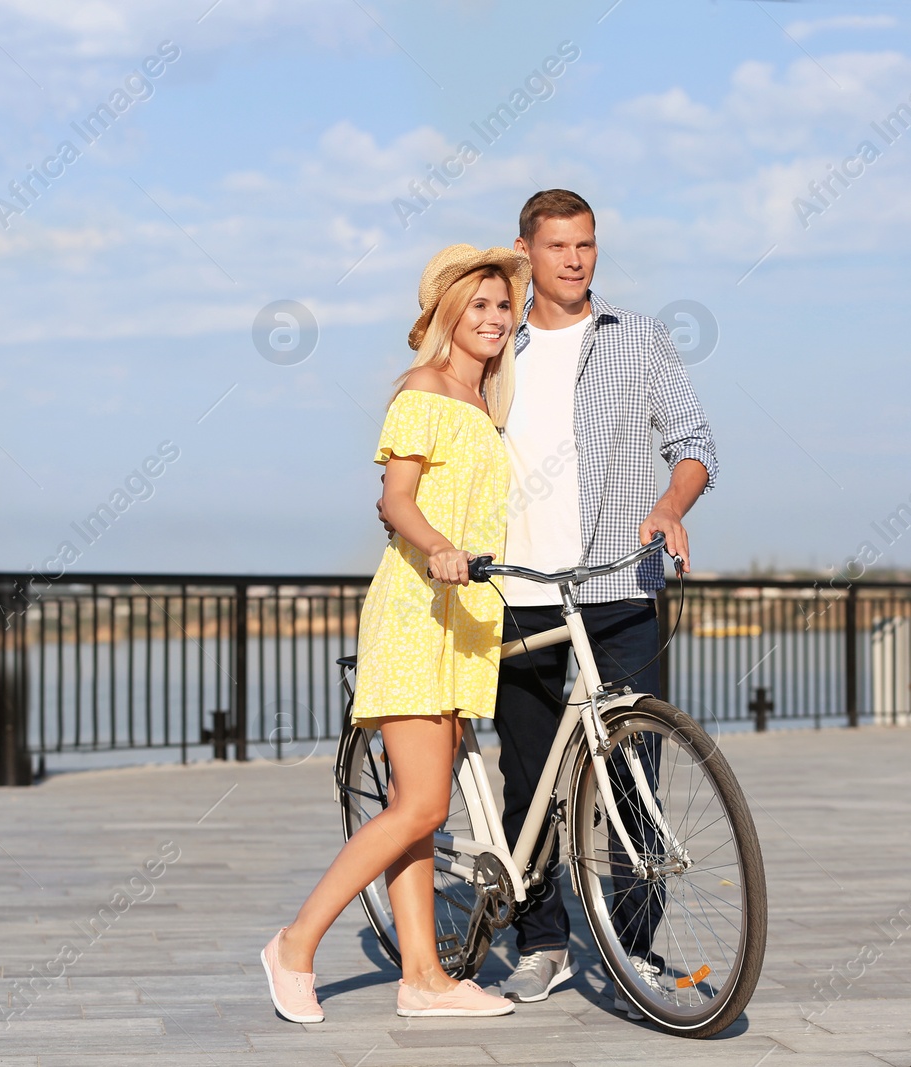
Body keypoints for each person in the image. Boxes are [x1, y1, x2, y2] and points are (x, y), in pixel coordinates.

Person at [383, 190, 718, 1014]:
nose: (575, 260)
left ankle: (635, 944)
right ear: (525, 250)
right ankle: (540, 941)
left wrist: (672, 504)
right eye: (558, 246)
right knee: (528, 776)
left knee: (635, 770)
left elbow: (694, 444)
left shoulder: (636, 337)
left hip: (616, 583)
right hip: (517, 591)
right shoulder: (497, 345)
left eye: (588, 245)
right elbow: (437, 453)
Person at [262, 244, 531, 1023]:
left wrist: (508, 257)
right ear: (446, 314)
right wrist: (438, 546)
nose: (493, 317)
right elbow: (397, 499)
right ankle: (295, 942)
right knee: (420, 804)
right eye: (476, 303)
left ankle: (424, 978)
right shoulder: (423, 389)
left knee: (426, 805)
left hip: (466, 615)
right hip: (417, 608)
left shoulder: (486, 405)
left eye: (501, 304)